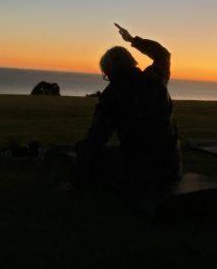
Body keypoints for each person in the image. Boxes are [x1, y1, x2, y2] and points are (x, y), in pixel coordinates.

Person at [75, 24, 180, 185]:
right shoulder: (156, 79)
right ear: (132, 62)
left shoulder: (112, 95)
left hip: (138, 170)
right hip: (171, 166)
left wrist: (79, 172)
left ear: (109, 72)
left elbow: (97, 138)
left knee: (88, 152)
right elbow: (162, 54)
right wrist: (132, 40)